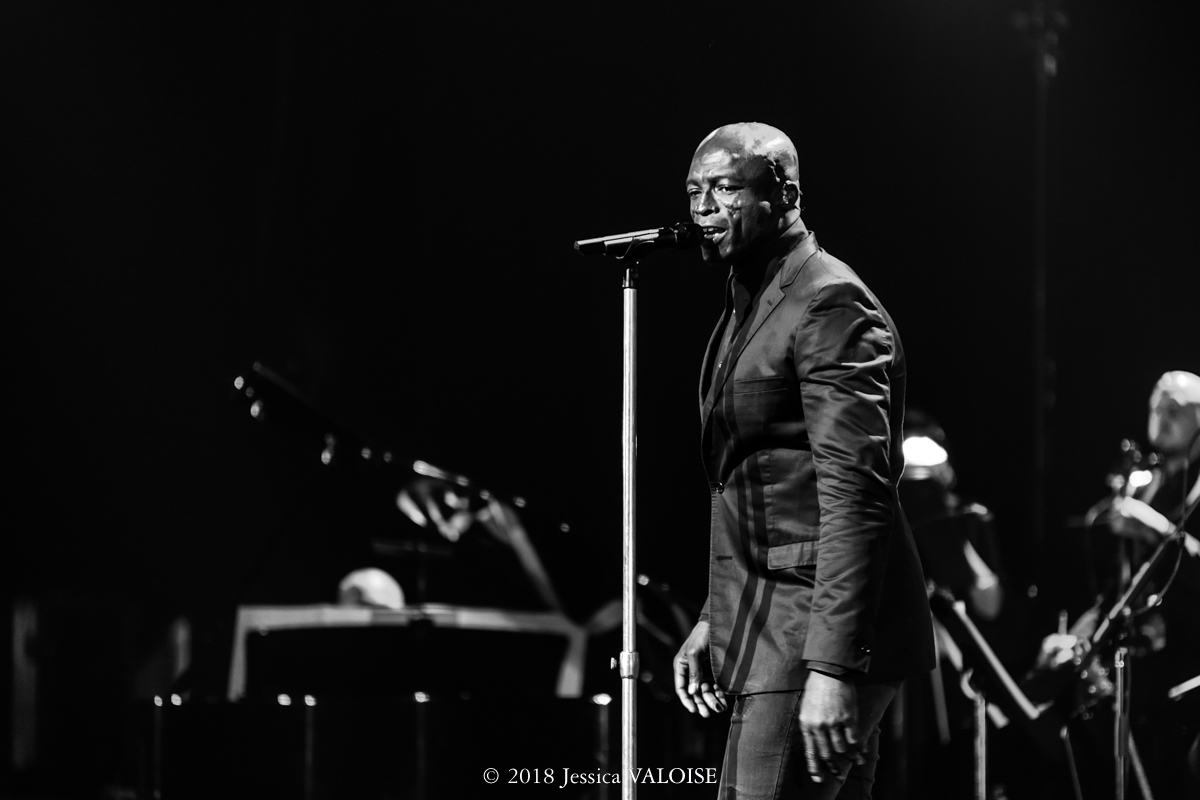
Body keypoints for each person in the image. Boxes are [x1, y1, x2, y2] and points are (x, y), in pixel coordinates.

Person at [672, 123, 935, 799]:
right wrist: (715, 617)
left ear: (784, 194)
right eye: (694, 191)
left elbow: (856, 494)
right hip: (774, 618)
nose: (703, 208)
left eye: (724, 189)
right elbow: (760, 483)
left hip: (816, 627)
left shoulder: (828, 302)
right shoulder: (753, 300)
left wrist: (832, 668)